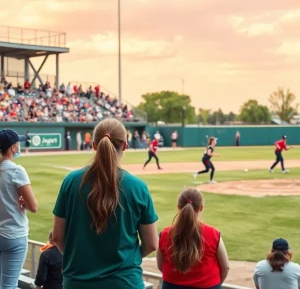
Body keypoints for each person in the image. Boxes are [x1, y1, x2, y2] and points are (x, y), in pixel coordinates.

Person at [52, 118, 158, 289]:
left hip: (77, 282)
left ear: (94, 145)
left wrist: (78, 260)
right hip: (125, 282)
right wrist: (126, 260)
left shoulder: (71, 181)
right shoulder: (138, 187)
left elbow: (57, 237)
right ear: (124, 145)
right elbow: (152, 243)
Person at [156, 188, 230, 289]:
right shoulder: (213, 234)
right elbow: (225, 267)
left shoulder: (165, 234)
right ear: (201, 208)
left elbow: (161, 266)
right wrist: (215, 284)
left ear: (178, 207)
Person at [0, 129, 38, 289]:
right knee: (9, 286)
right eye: (18, 144)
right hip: (13, 235)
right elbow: (33, 207)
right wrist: (23, 202)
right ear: (13, 147)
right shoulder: (16, 170)